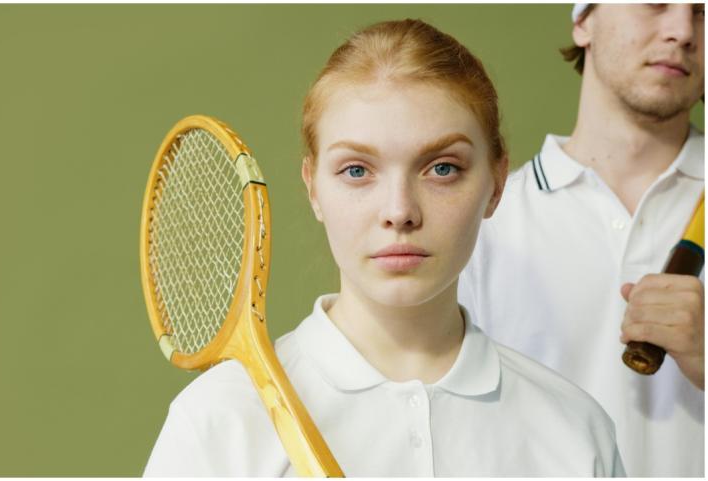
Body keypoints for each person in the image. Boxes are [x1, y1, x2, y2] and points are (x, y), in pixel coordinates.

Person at [144, 18, 624, 476]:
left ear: (496, 185)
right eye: (357, 170)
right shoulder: (218, 422)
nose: (399, 211)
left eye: (441, 168)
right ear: (313, 187)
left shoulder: (575, 430)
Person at [458, 4, 704, 477]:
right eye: (656, 2)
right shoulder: (484, 225)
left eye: (703, 13)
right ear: (584, 20)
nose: (682, 31)